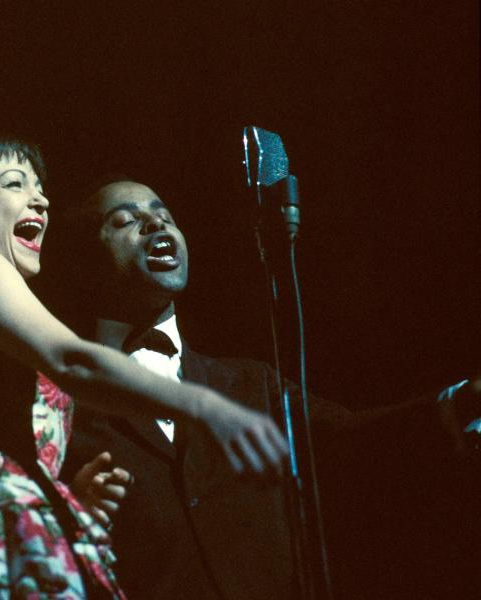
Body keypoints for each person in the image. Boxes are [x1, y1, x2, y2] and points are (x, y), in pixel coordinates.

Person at [0, 137, 290, 599]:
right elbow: (72, 360)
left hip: (13, 526)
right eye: (14, 184)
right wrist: (205, 405)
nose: (40, 199)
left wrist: (70, 497)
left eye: (39, 187)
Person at [56, 176, 481, 599]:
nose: (155, 224)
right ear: (84, 263)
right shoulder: (59, 399)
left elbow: (348, 438)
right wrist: (73, 509)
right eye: (125, 220)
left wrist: (460, 402)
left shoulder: (249, 383)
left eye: (164, 215)